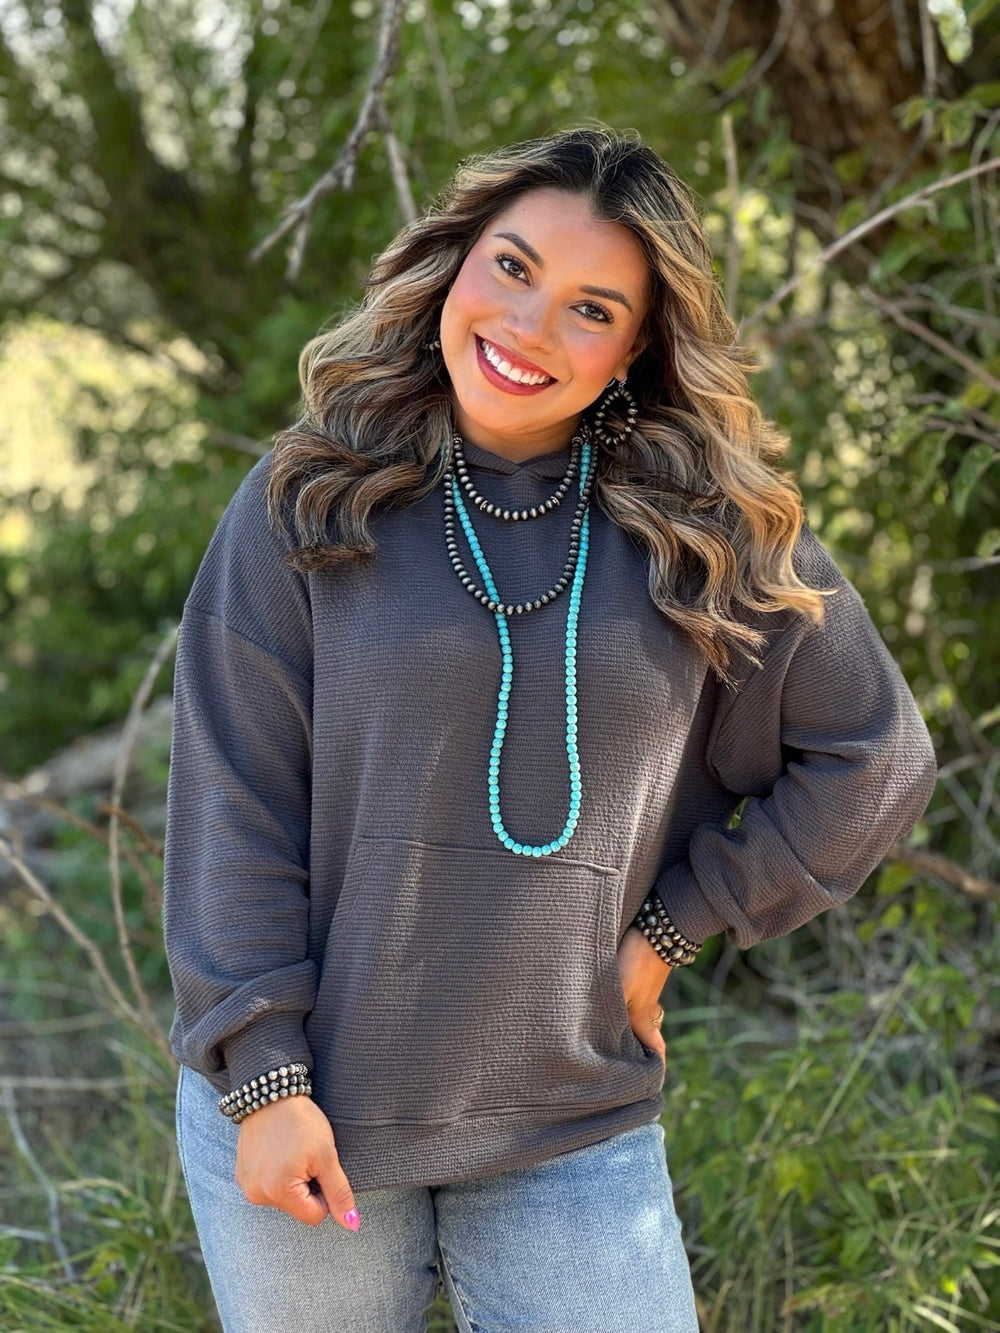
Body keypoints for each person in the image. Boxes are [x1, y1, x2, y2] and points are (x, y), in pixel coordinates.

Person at [162, 125, 938, 1333]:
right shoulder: (306, 498)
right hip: (310, 1114)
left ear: (638, 346)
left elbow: (875, 757)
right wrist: (263, 1073)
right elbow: (233, 802)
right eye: (513, 269)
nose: (527, 329)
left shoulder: (700, 531)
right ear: (457, 261)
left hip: (570, 1118)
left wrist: (678, 924)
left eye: (590, 308)